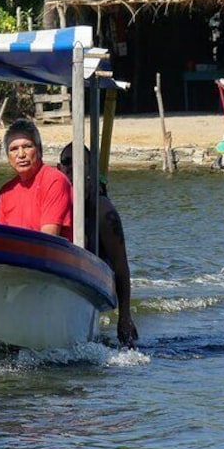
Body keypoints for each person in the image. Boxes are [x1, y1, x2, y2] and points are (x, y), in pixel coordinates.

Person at [57, 143, 138, 348]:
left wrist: (125, 317)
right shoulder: (56, 201)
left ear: (89, 170)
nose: (71, 168)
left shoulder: (103, 210)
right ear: (59, 168)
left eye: (79, 163)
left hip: (94, 281)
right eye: (67, 162)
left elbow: (121, 265)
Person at [0, 119, 72, 241]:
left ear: (39, 150)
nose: (21, 154)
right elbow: (0, 240)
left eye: (27, 146)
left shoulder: (54, 181)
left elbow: (48, 240)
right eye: (14, 149)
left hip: (50, 257)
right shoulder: (6, 192)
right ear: (8, 155)